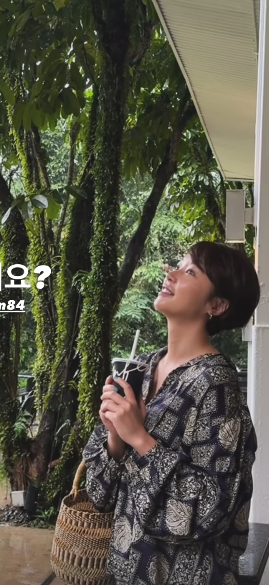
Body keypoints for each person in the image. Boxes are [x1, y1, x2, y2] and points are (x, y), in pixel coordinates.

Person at [83, 241, 260, 585]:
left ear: (216, 305)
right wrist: (115, 436)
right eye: (177, 265)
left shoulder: (216, 386)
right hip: (124, 572)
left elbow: (209, 513)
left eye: (190, 271)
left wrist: (139, 438)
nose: (171, 273)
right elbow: (100, 495)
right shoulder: (143, 368)